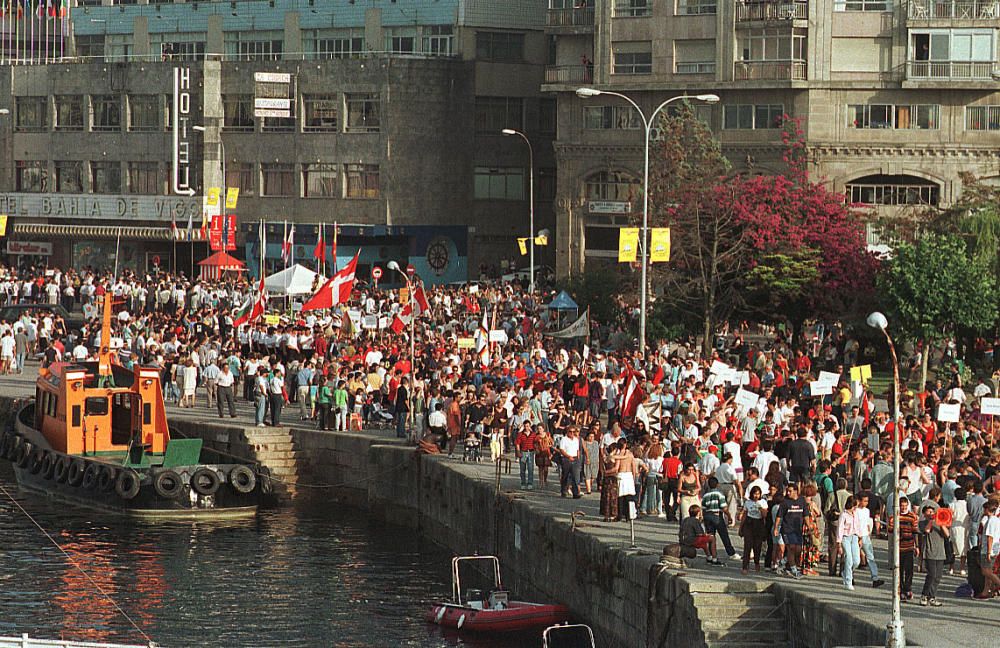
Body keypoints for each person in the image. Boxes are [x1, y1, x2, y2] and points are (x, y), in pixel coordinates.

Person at [889, 496, 919, 602]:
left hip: (909, 546)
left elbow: (915, 531)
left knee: (909, 570)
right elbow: (890, 530)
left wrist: (917, 546)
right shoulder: (894, 517)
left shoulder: (912, 516)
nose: (903, 508)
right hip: (898, 547)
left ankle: (908, 588)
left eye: (905, 506)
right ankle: (901, 590)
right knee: (899, 570)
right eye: (901, 506)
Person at [774, 483, 807, 579]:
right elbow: (779, 516)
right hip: (787, 529)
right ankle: (794, 571)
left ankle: (782, 562)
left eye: (790, 491)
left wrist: (810, 527)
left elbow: (806, 515)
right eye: (787, 491)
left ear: (796, 491)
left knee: (798, 550)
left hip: (798, 530)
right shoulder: (785, 502)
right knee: (791, 548)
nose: (788, 493)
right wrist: (776, 528)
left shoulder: (802, 501)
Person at [919, 504, 948, 606]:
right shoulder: (922, 523)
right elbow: (926, 530)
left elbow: (947, 535)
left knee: (938, 577)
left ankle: (932, 596)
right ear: (924, 514)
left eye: (932, 512)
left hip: (940, 552)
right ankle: (924, 595)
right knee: (931, 574)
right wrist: (931, 520)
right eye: (929, 512)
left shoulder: (939, 523)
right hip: (929, 552)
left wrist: (941, 523)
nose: (931, 513)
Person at [855, 493, 885, 588]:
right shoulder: (855, 511)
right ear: (859, 501)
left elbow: (867, 521)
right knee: (855, 558)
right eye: (864, 501)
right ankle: (849, 575)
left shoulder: (867, 511)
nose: (866, 503)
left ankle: (875, 577)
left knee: (870, 556)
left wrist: (868, 531)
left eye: (867, 501)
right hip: (857, 536)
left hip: (865, 535)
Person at [739, 485, 768, 574]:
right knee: (747, 545)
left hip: (758, 524)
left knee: (757, 546)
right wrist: (741, 527)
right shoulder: (748, 502)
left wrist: (760, 508)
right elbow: (744, 515)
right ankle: (745, 566)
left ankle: (756, 563)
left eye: (758, 494)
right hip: (749, 523)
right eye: (755, 494)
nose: (756, 496)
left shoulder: (763, 502)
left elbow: (765, 515)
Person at [837, 496, 861, 590]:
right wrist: (839, 543)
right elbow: (840, 528)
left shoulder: (856, 513)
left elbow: (858, 525)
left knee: (856, 561)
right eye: (855, 506)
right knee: (849, 559)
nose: (855, 508)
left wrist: (860, 537)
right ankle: (848, 581)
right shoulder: (843, 514)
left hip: (854, 537)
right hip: (846, 537)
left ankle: (846, 572)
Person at [558, 425, 583, 499]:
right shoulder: (564, 439)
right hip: (566, 459)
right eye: (570, 432)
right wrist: (568, 456)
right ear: (567, 432)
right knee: (565, 476)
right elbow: (561, 450)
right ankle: (564, 491)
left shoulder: (576, 439)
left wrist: (578, 458)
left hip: (575, 459)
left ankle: (575, 493)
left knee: (575, 477)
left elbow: (578, 450)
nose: (572, 433)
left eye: (573, 432)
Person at [515, 421, 536, 490]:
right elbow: (517, 443)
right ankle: (523, 483)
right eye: (525, 426)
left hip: (531, 452)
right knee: (522, 469)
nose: (527, 428)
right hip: (523, 452)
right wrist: (518, 452)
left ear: (530, 426)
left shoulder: (533, 434)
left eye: (528, 426)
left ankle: (530, 483)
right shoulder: (520, 434)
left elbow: (536, 442)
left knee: (530, 469)